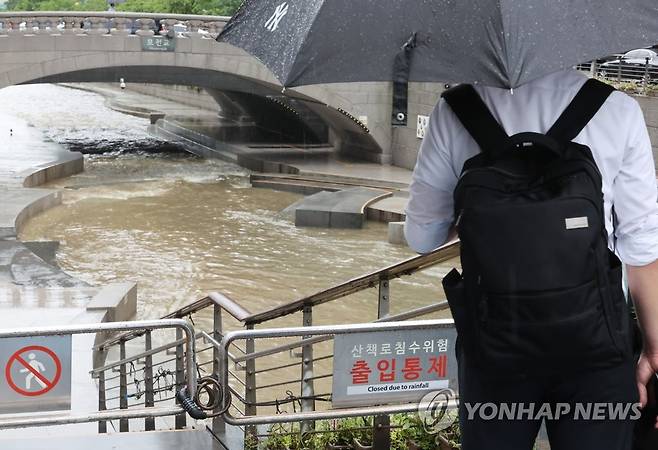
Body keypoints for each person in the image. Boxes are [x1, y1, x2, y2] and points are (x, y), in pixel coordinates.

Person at [404, 69, 658, 449]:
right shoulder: (617, 109)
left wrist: (485, 214)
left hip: (494, 345)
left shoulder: (455, 110)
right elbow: (642, 247)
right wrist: (653, 349)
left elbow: (421, 238)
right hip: (595, 344)